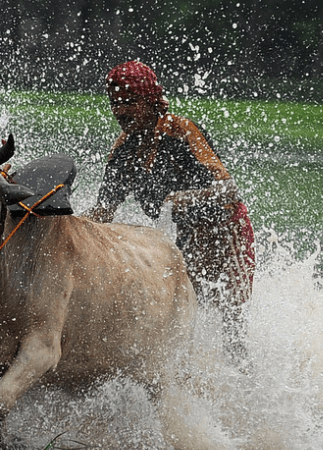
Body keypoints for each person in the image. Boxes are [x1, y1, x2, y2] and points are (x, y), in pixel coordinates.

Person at [83, 60, 255, 362]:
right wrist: (64, 222)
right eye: (115, 104)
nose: (120, 112)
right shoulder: (124, 150)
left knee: (230, 322)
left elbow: (229, 190)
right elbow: (103, 212)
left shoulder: (181, 131)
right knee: (185, 315)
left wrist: (183, 199)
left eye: (130, 102)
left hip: (227, 232)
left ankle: (241, 379)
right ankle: (191, 379)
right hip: (186, 239)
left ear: (152, 99)